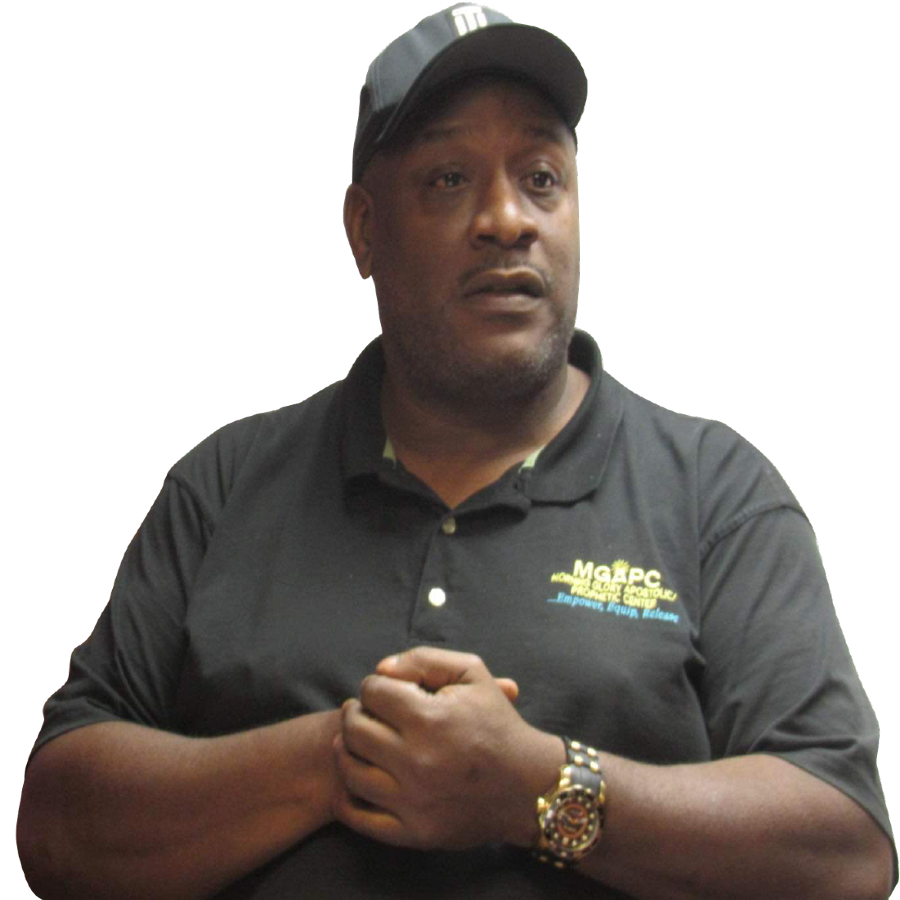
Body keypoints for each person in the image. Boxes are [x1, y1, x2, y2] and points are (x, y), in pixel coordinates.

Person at [16, 7, 896, 900]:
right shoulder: (226, 483)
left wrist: (536, 790)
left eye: (542, 178)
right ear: (363, 230)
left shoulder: (716, 491)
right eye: (448, 179)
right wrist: (341, 759)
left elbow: (846, 852)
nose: (507, 220)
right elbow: (57, 824)